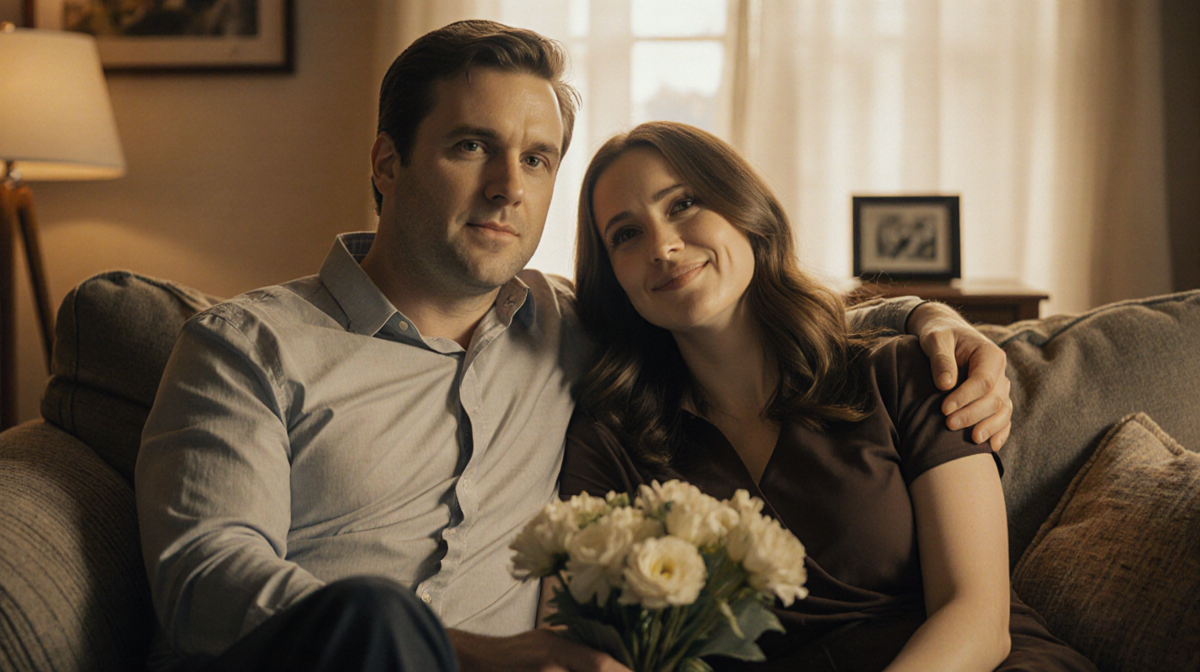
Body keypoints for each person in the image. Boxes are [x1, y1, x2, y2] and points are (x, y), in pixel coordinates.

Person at [135, 20, 1014, 672]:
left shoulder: (571, 328)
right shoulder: (249, 347)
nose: (507, 187)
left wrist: (935, 321)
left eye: (539, 158)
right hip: (337, 656)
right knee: (374, 618)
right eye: (471, 145)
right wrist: (464, 651)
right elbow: (203, 579)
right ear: (387, 162)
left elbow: (738, 312)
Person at [559, 121, 1095, 671]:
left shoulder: (905, 373)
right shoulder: (612, 442)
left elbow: (979, 619)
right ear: (611, 278)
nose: (663, 246)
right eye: (626, 234)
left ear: (746, 211)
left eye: (683, 204)